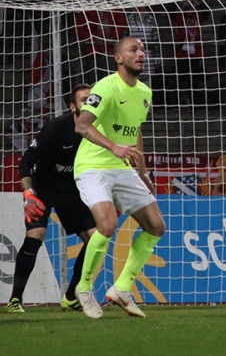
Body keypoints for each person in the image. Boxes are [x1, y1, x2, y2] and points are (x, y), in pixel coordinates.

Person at [73, 37, 164, 319]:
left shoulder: (145, 92)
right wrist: (113, 147)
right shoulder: (105, 87)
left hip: (122, 167)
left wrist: (143, 172)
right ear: (118, 58)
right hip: (92, 165)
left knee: (156, 226)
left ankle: (122, 288)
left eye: (142, 50)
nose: (141, 54)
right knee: (107, 225)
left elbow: (136, 131)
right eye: (133, 49)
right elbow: (81, 125)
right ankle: (83, 288)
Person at [7, 85, 96, 313]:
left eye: (93, 99)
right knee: (35, 235)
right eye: (84, 100)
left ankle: (71, 295)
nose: (90, 103)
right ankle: (15, 299)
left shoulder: (99, 129)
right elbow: (26, 162)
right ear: (73, 107)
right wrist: (29, 194)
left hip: (72, 191)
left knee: (96, 239)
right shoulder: (55, 129)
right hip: (43, 189)